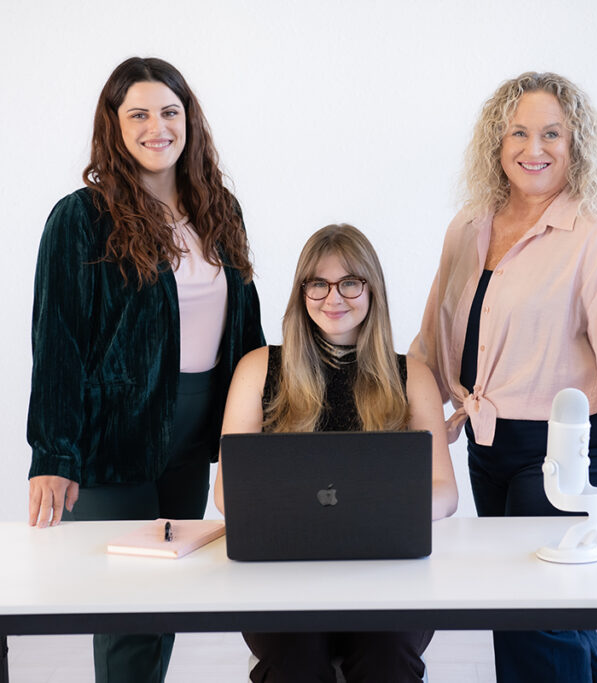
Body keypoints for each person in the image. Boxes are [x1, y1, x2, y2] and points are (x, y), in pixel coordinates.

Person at [409, 72, 597, 683]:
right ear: (497, 142)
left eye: (551, 133)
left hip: (567, 451)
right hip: (487, 445)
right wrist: (402, 425)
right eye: (518, 132)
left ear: (577, 144)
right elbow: (433, 339)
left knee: (536, 614)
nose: (532, 148)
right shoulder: (469, 225)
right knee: (548, 615)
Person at [25, 57, 265, 682]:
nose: (156, 127)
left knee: (165, 605)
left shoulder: (222, 212)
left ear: (189, 122)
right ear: (115, 125)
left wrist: (270, 429)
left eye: (169, 112)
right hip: (113, 441)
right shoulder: (80, 218)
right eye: (138, 114)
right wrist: (53, 454)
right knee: (127, 614)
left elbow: (247, 334)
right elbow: (58, 341)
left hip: (194, 441)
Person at [215, 224, 458, 682]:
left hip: (388, 574)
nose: (334, 297)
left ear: (372, 290)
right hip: (283, 575)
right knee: (295, 662)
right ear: (301, 291)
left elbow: (445, 491)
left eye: (350, 282)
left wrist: (377, 517)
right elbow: (229, 494)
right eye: (318, 283)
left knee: (387, 659)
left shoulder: (414, 376)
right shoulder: (258, 369)